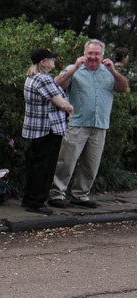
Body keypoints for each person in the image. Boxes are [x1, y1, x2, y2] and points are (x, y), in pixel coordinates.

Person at [48, 40, 129, 209]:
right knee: (67, 161)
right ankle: (56, 194)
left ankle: (80, 195)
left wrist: (114, 71)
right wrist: (75, 68)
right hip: (77, 123)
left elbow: (123, 88)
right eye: (90, 53)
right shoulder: (74, 69)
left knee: (91, 164)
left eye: (96, 54)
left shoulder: (108, 72)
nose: (93, 57)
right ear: (84, 54)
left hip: (100, 124)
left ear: (102, 55)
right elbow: (57, 85)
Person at [21, 47, 74, 215]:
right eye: (51, 59)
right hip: (47, 129)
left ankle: (29, 198)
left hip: (36, 128)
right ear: (43, 62)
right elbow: (61, 103)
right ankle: (36, 201)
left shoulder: (32, 78)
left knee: (35, 165)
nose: (54, 61)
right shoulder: (43, 79)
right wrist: (70, 107)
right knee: (45, 166)